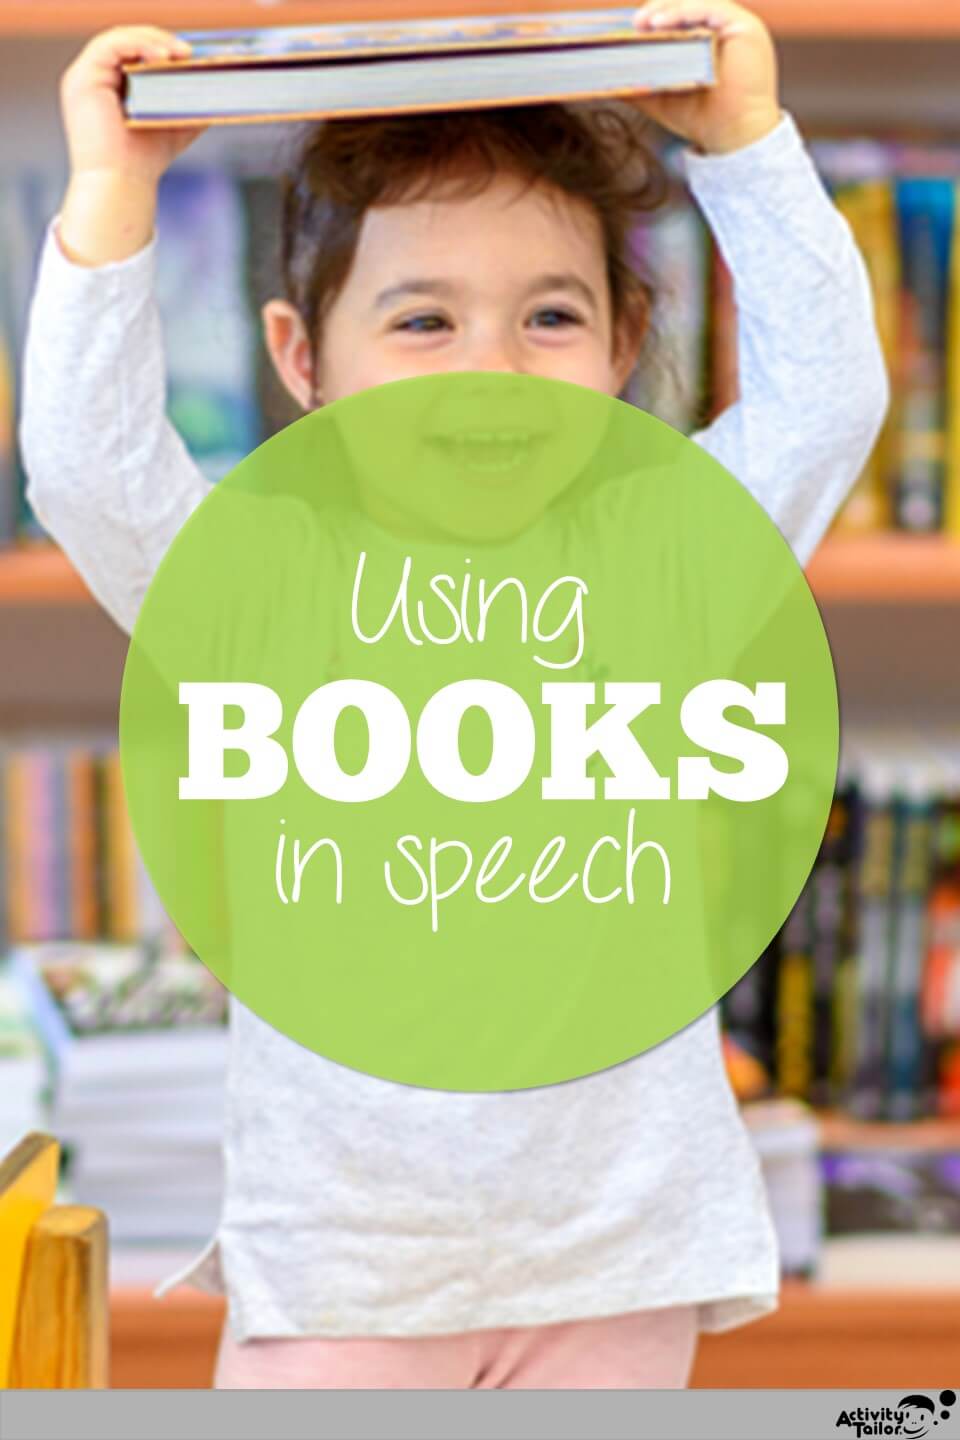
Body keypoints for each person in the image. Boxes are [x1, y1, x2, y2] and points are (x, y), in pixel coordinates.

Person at [20, 1, 887, 1389]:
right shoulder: (270, 586)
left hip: (619, 1260)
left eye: (550, 316)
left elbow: (825, 404)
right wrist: (119, 191)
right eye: (422, 320)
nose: (490, 372)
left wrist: (743, 145)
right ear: (305, 362)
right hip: (350, 1270)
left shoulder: (662, 557)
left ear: (621, 350)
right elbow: (90, 472)